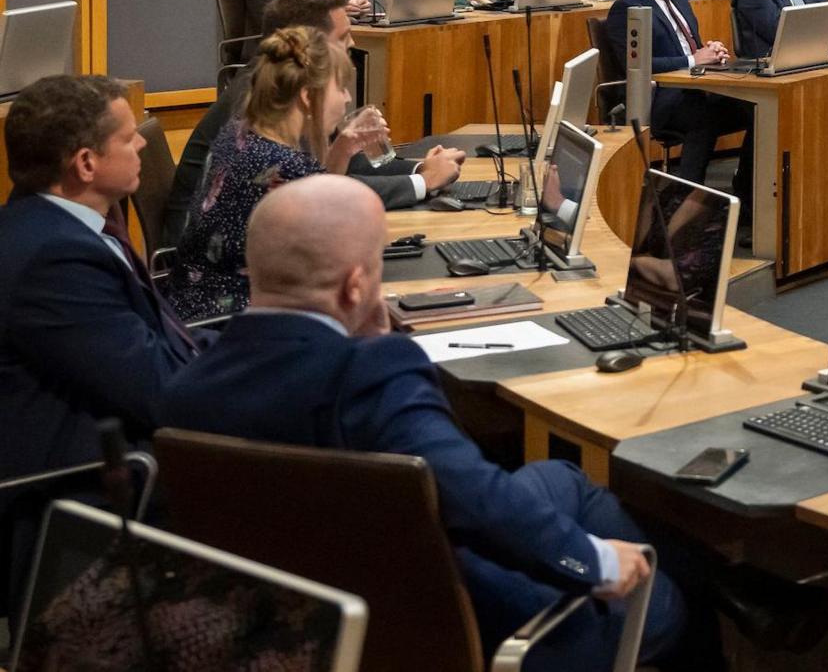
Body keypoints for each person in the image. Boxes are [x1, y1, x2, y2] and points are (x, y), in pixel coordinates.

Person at [160, 176, 702, 672]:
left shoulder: (186, 389)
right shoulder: (368, 375)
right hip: (440, 617)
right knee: (671, 603)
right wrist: (597, 563)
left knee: (564, 480)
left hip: (287, 615)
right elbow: (474, 499)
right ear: (354, 287)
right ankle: (715, 597)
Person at [0, 75, 208, 509]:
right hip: (84, 496)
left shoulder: (64, 228)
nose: (143, 146)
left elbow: (156, 341)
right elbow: (158, 395)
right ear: (86, 164)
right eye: (129, 137)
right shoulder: (52, 260)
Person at [166, 0, 464, 243]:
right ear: (308, 44)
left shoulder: (282, 91)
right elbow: (327, 194)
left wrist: (421, 170)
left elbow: (323, 180)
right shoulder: (261, 104)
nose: (352, 44)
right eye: (344, 35)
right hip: (227, 289)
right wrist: (424, 182)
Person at [172, 27, 384, 321]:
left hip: (192, 307)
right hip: (235, 321)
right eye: (341, 87)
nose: (348, 99)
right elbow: (334, 241)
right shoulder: (282, 166)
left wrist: (342, 150)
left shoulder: (239, 133)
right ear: (308, 96)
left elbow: (318, 194)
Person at [604, 0, 753, 198]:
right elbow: (637, 65)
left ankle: (745, 191)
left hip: (696, 88)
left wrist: (710, 52)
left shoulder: (680, 1)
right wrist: (694, 59)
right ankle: (686, 197)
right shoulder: (626, 7)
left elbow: (693, 52)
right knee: (704, 118)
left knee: (756, 109)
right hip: (658, 96)